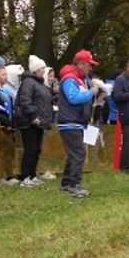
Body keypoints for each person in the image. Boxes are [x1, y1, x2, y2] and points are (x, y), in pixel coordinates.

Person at [56, 50, 102, 197]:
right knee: (78, 153)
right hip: (70, 121)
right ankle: (74, 185)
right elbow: (73, 98)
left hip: (75, 121)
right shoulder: (70, 79)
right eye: (89, 65)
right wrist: (91, 92)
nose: (91, 68)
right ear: (81, 64)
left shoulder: (79, 78)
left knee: (73, 154)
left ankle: (65, 183)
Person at [14, 55, 53, 187]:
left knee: (37, 149)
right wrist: (33, 117)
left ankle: (32, 174)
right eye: (42, 68)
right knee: (30, 149)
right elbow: (25, 101)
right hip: (29, 122)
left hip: (39, 122)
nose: (44, 70)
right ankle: (25, 177)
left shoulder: (39, 83)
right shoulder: (28, 83)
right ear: (35, 70)